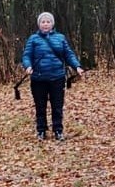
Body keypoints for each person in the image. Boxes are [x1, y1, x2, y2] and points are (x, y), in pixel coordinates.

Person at [21, 12, 85, 141]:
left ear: (52, 24)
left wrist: (77, 66)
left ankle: (58, 130)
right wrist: (28, 66)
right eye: (43, 22)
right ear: (39, 24)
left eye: (48, 22)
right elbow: (26, 55)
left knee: (57, 106)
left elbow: (68, 54)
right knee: (40, 106)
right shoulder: (33, 39)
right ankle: (41, 130)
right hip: (38, 78)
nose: (45, 24)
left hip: (57, 77)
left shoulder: (60, 38)